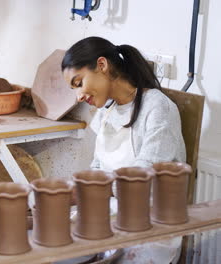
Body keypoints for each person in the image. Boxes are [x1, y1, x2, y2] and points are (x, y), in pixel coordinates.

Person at [61, 36, 186, 264]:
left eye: (79, 83)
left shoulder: (157, 108)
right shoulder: (106, 112)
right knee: (51, 245)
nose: (78, 96)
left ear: (102, 65)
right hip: (112, 216)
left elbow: (140, 181)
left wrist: (91, 191)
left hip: (150, 226)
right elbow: (98, 167)